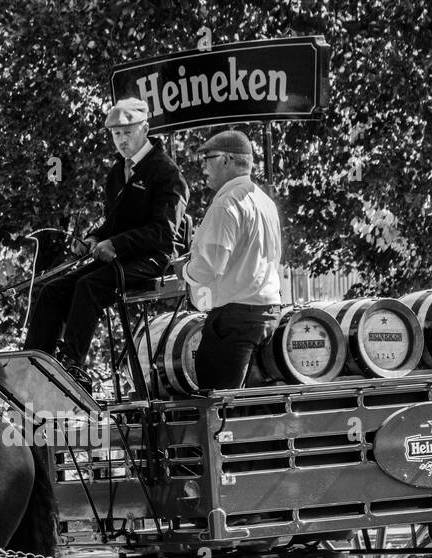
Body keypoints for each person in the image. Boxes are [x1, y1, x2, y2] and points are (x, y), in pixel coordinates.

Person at [24, 97, 189, 384]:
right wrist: (94, 237)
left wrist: (116, 244)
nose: (122, 140)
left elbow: (164, 232)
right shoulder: (117, 172)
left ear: (145, 129)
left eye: (128, 132)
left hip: (154, 258)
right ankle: (34, 364)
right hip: (121, 256)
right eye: (116, 134)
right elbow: (114, 223)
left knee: (89, 286)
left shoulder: (167, 173)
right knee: (53, 289)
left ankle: (71, 366)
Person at [176, 129, 282, 390]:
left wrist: (184, 270)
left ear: (226, 160)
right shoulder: (264, 201)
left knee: (218, 408)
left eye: (207, 159)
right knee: (249, 408)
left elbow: (210, 265)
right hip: (267, 313)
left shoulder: (226, 202)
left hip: (235, 319)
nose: (204, 169)